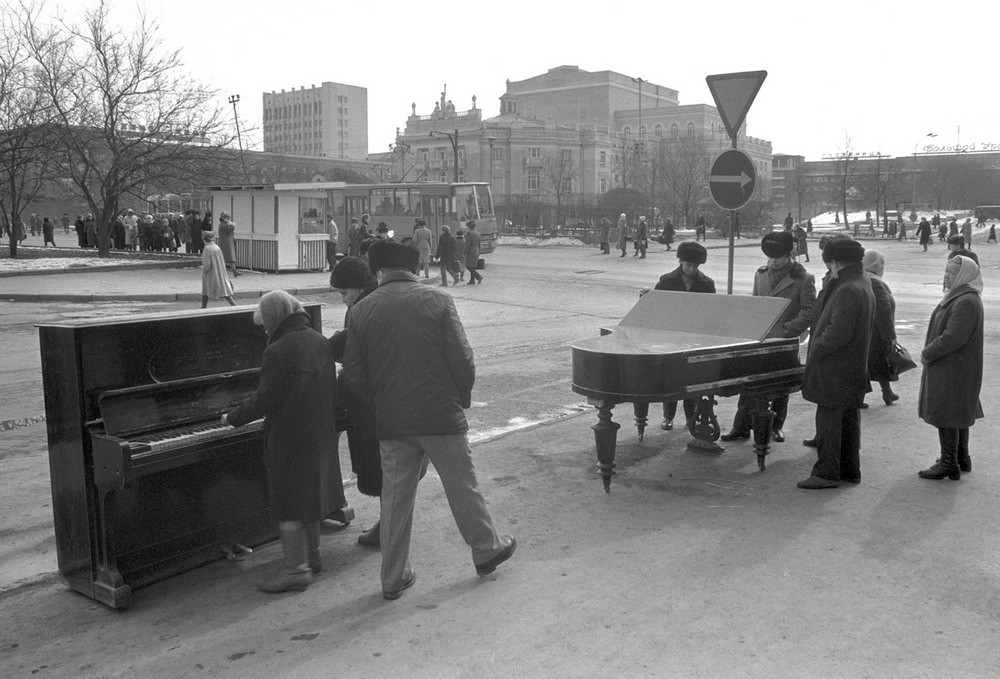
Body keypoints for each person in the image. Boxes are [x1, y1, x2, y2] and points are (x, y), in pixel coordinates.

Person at [343, 240, 516, 600]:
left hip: (393, 420)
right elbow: (463, 359)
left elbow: (354, 375)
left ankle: (392, 578)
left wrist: (381, 403)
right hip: (440, 414)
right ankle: (485, 550)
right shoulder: (439, 301)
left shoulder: (360, 312)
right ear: (412, 268)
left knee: (394, 501)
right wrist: (460, 399)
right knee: (461, 486)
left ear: (379, 271)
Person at [223, 290, 336, 593]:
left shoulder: (278, 349)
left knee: (288, 504)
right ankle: (312, 558)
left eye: (264, 325)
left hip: (289, 437)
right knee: (309, 497)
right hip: (318, 433)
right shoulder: (318, 339)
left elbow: (265, 399)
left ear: (274, 318)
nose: (264, 331)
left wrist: (231, 417)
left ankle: (295, 570)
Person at [721, 232, 816, 444]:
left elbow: (810, 311)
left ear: (789, 254)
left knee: (781, 384)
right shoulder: (761, 274)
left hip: (786, 340)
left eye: (778, 257)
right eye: (770, 257)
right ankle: (741, 426)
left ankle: (776, 427)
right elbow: (756, 304)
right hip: (761, 339)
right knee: (750, 382)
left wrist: (788, 329)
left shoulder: (804, 278)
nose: (773, 261)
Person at [797, 239, 874, 489]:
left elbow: (837, 334)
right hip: (850, 367)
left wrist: (815, 347)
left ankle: (827, 472)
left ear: (835, 261)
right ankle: (849, 469)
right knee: (848, 420)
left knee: (829, 420)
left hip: (834, 368)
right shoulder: (859, 283)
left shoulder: (847, 289)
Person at [917, 256, 984, 480]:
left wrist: (928, 353)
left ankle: (949, 462)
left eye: (952, 273)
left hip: (953, 367)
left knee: (948, 413)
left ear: (964, 276)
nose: (947, 276)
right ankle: (961, 457)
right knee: (957, 412)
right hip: (956, 366)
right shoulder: (962, 296)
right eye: (946, 271)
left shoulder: (965, 300)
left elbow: (953, 337)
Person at [643, 241, 715, 430]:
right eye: (688, 265)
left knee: (692, 379)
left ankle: (692, 416)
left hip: (695, 338)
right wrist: (646, 298)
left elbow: (712, 311)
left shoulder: (707, 284)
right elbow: (655, 307)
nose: (691, 269)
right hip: (671, 337)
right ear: (681, 262)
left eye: (695, 266)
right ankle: (668, 416)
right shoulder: (666, 281)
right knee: (671, 378)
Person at [860, 250, 900, 408]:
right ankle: (882, 393)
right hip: (876, 333)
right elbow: (883, 312)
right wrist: (890, 336)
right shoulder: (875, 283)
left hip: (869, 332)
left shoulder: (865, 278)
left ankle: (886, 392)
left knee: (872, 365)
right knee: (874, 364)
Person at [200, 231, 236, 308]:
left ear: (204, 239)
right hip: (220, 271)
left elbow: (207, 264)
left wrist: (204, 270)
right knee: (224, 290)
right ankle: (233, 304)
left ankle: (203, 306)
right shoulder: (217, 247)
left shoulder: (207, 249)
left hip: (211, 273)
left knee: (206, 289)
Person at [218, 212, 239, 277]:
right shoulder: (223, 225)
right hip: (226, 244)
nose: (229, 220)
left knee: (230, 258)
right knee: (226, 258)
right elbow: (232, 228)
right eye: (228, 218)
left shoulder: (223, 224)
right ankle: (223, 272)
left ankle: (234, 271)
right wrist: (231, 224)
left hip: (227, 243)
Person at [464, 219, 483, 285]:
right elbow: (479, 244)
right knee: (473, 265)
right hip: (476, 249)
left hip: (471, 250)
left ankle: (478, 276)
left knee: (468, 266)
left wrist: (465, 252)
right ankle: (472, 280)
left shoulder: (469, 233)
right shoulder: (478, 233)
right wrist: (479, 251)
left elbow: (468, 244)